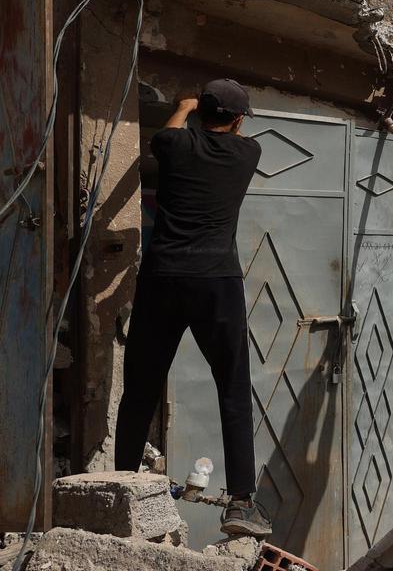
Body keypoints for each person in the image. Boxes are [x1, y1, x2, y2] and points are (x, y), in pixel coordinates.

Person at [114, 80, 272, 538]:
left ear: (198, 111)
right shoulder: (249, 154)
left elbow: (167, 133)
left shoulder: (172, 142)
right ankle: (241, 502)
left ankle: (124, 482)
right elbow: (232, 135)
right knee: (233, 389)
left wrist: (182, 107)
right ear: (239, 121)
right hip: (217, 282)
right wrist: (211, 116)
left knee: (141, 386)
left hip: (162, 278)